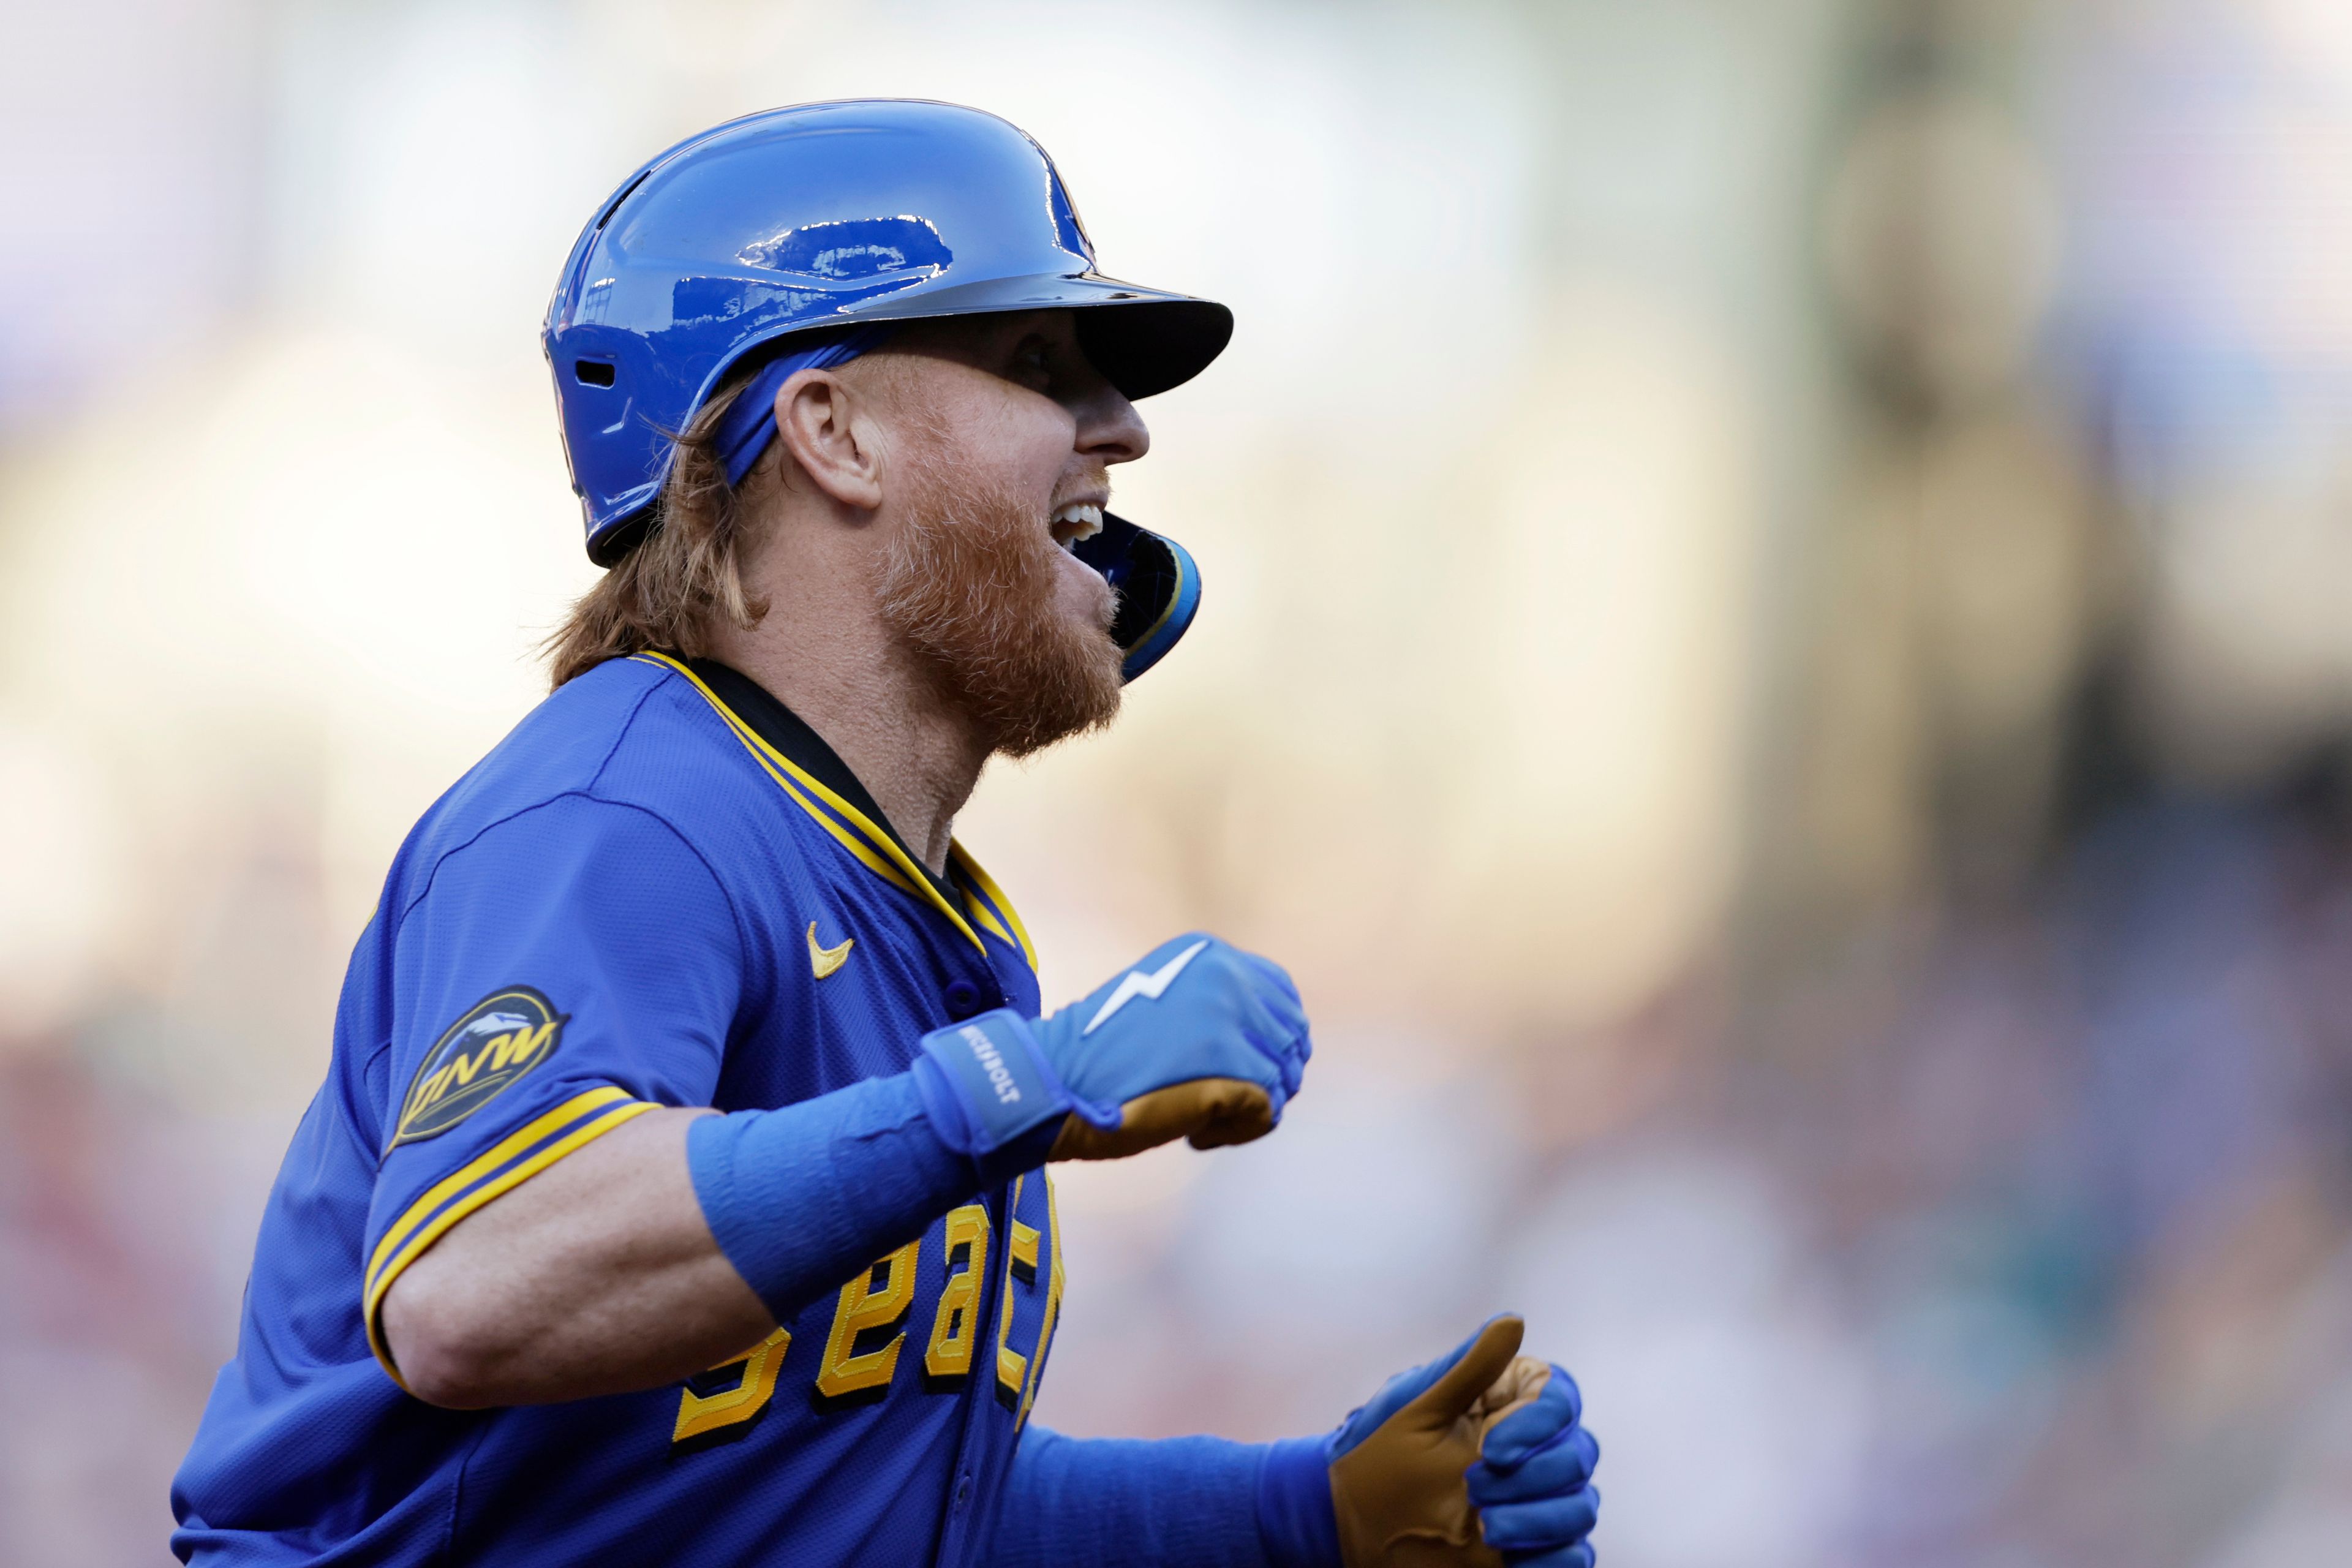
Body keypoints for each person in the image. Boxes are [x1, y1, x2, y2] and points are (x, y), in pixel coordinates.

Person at [169, 100, 1600, 1567]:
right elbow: (475, 1284)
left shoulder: (943, 925)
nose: (1124, 428)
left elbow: (873, 1501)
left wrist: (1303, 1517)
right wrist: (1001, 1090)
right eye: (1040, 363)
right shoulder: (629, 808)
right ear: (833, 430)